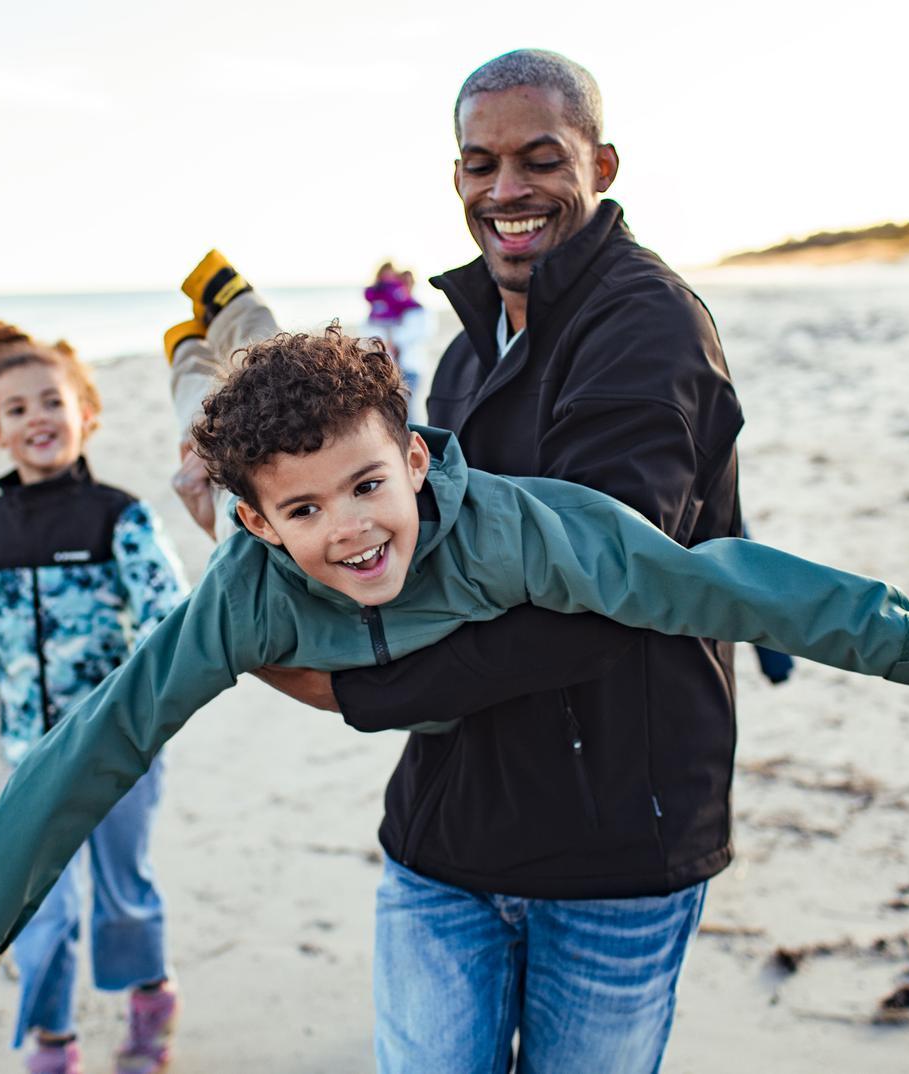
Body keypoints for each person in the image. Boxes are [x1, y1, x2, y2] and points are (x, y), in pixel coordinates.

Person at [0, 310, 909, 1004]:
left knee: (263, 407)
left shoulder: (512, 530)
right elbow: (98, 740)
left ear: (416, 459)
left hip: (453, 675)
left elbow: (699, 581)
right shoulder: (242, 586)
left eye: (368, 485)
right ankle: (205, 343)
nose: (353, 529)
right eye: (304, 509)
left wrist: (901, 639)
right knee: (203, 434)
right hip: (266, 561)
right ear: (265, 526)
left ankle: (234, 319)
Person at [231, 48, 821, 1072]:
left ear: (601, 164)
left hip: (613, 844)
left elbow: (609, 593)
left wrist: (363, 690)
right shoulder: (468, 347)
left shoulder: (647, 327)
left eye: (539, 159)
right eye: (479, 164)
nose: (505, 189)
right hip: (448, 829)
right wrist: (259, 529)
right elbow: (413, 557)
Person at [0, 318, 186, 1074]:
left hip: (119, 751)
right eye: (18, 408)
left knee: (123, 893)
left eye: (52, 402)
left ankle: (150, 1004)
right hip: (30, 759)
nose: (38, 418)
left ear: (86, 414)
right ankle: (53, 1042)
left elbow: (170, 617)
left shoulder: (119, 516)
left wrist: (150, 707)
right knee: (41, 909)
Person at [362, 262, 430, 416]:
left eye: (408, 282)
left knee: (407, 410)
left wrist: (393, 337)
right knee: (392, 410)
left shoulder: (418, 309)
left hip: (411, 366)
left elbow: (420, 333)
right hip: (389, 366)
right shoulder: (388, 307)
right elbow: (370, 331)